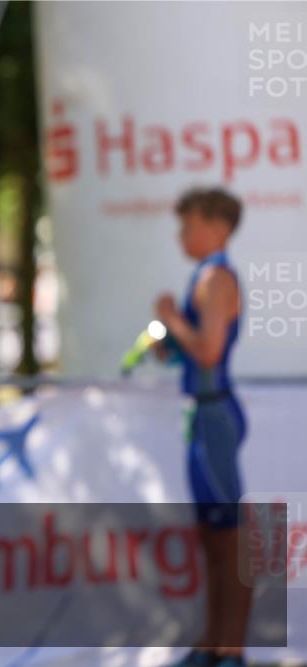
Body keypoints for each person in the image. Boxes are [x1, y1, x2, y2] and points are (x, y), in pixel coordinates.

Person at [156, 187, 251, 667]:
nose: (182, 236)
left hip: (214, 415)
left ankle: (231, 649)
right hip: (203, 413)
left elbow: (210, 352)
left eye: (189, 226)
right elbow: (188, 351)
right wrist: (167, 337)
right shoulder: (204, 275)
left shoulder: (216, 278)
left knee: (229, 538)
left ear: (217, 227)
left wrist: (171, 319)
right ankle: (213, 643)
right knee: (212, 539)